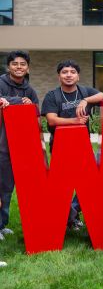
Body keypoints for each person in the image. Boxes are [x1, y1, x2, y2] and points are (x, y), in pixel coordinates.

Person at [41, 60, 103, 230]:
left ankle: (73, 212)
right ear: (59, 76)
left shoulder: (84, 91)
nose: (68, 75)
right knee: (61, 186)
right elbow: (51, 120)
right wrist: (74, 121)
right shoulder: (52, 95)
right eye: (64, 72)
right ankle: (67, 218)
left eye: (72, 72)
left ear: (78, 76)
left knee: (91, 182)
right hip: (60, 146)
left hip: (82, 146)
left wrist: (85, 100)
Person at [0, 50, 39, 239]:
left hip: (20, 144)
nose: (19, 67)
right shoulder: (1, 83)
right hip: (2, 143)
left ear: (28, 68)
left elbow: (36, 109)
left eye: (23, 64)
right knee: (1, 185)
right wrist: (18, 101)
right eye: (15, 64)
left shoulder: (29, 89)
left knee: (8, 186)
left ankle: (2, 223)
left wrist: (27, 103)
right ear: (9, 66)